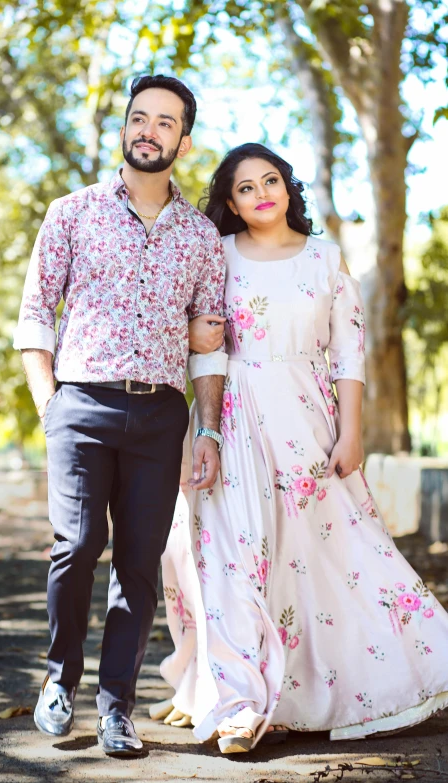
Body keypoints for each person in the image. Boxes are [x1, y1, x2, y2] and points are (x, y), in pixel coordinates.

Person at [155, 143, 448, 754]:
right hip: (230, 418)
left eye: (272, 180)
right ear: (230, 202)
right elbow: (202, 340)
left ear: (288, 187)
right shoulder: (221, 255)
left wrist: (352, 432)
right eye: (245, 187)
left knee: (334, 551)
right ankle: (238, 706)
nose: (262, 192)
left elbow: (348, 352)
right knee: (233, 556)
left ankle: (359, 679)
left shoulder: (325, 259)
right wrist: (202, 428)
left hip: (309, 420)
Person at [13, 74, 228, 758]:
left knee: (138, 565)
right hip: (80, 402)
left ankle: (116, 708)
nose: (149, 129)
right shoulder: (71, 212)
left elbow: (209, 343)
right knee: (76, 545)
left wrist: (208, 425)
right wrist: (49, 400)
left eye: (165, 122)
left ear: (182, 143)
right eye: (140, 117)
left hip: (161, 415)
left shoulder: (201, 236)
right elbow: (34, 312)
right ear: (125, 128)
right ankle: (58, 680)